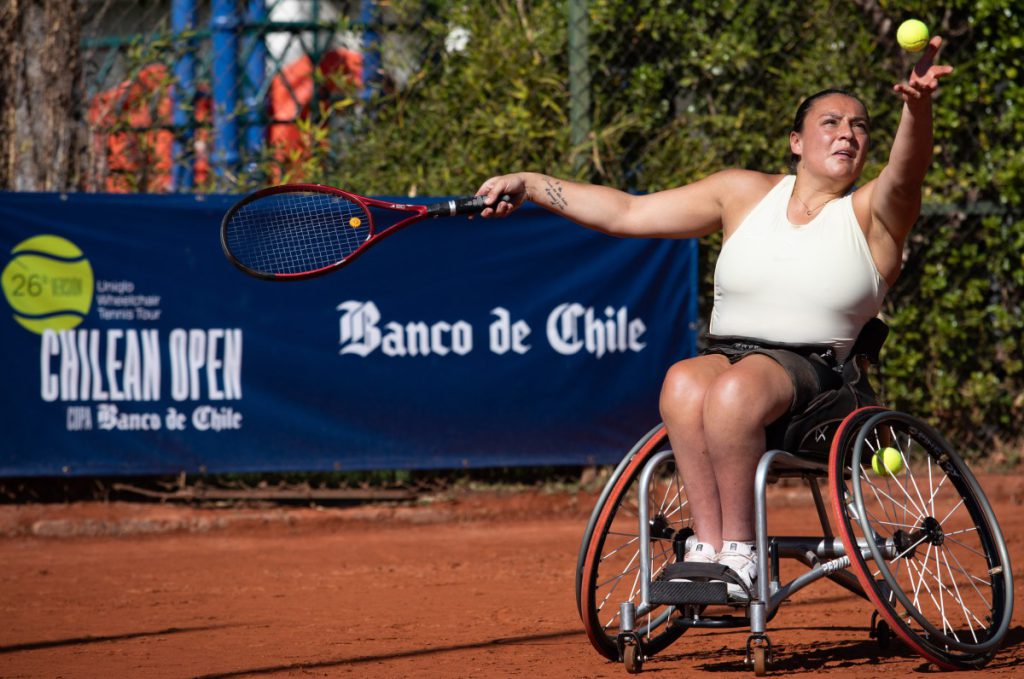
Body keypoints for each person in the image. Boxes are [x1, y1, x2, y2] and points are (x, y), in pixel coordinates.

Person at [475, 37, 953, 600]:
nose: (848, 132)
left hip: (818, 379)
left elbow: (908, 169)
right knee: (682, 381)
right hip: (728, 355)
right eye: (830, 122)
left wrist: (916, 107)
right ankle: (707, 550)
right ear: (796, 142)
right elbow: (628, 213)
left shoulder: (874, 213)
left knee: (732, 393)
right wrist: (531, 185)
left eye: (860, 126)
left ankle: (744, 556)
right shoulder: (742, 194)